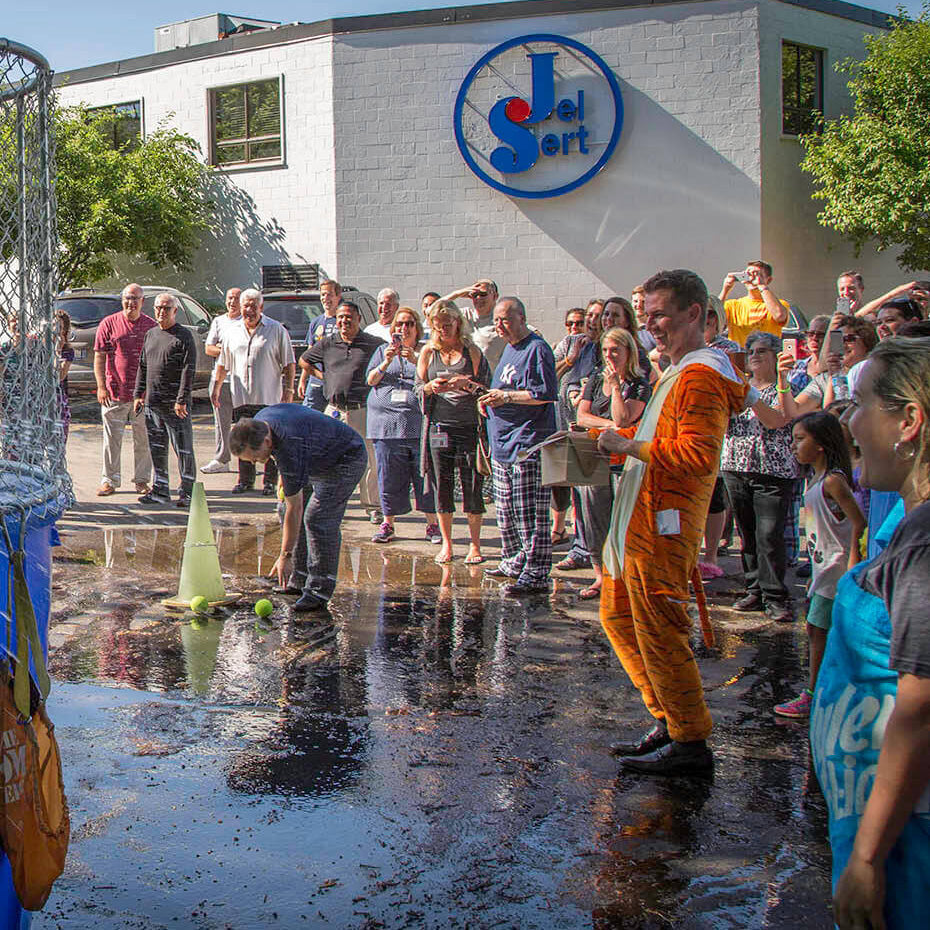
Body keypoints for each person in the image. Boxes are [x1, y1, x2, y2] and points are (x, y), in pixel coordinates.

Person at [597, 269, 750, 776]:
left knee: (661, 632)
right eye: (648, 316)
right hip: (637, 523)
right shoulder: (679, 369)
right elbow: (660, 438)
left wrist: (627, 444)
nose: (652, 326)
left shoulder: (702, 375)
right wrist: (614, 439)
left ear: (695, 314)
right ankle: (669, 719)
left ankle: (690, 742)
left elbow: (698, 455)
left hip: (663, 528)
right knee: (619, 618)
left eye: (660, 315)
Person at [811, 337, 930, 929]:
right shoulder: (910, 528)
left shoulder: (927, 543)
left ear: (909, 421)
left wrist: (866, 859)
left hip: (907, 856)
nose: (847, 419)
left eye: (858, 403)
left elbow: (922, 709)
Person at [230, 406, 368, 613]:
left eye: (256, 458)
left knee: (317, 518)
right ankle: (298, 578)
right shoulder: (259, 424)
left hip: (346, 457)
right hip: (315, 454)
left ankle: (319, 590)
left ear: (267, 442)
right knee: (284, 509)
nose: (256, 463)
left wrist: (285, 556)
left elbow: (296, 507)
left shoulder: (289, 445)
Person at [773, 412, 864, 718]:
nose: (794, 445)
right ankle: (825, 689)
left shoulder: (833, 482)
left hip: (835, 570)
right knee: (816, 628)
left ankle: (814, 694)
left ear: (822, 444)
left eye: (800, 439)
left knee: (818, 630)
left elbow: (858, 522)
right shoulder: (815, 479)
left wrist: (852, 563)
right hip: (822, 569)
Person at [480, 296, 558, 595]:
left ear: (521, 318)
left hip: (528, 442)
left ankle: (537, 572)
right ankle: (514, 560)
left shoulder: (536, 349)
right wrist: (488, 399)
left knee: (530, 513)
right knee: (505, 510)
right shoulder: (509, 350)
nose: (500, 326)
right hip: (503, 443)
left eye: (506, 320)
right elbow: (504, 389)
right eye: (497, 321)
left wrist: (506, 398)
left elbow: (544, 394)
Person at [721, 331, 797, 622]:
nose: (754, 354)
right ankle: (754, 588)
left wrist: (748, 394)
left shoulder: (783, 385)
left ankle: (776, 595)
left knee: (769, 535)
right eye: (751, 350)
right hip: (736, 466)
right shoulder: (739, 386)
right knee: (748, 534)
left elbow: (777, 419)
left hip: (773, 471)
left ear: (776, 356)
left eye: (762, 351)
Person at [574, 327, 651, 600]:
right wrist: (610, 427)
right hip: (592, 454)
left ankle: (624, 576)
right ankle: (600, 576)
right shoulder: (596, 378)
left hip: (623, 460)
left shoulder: (639, 383)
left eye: (615, 350)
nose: (610, 355)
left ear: (628, 352)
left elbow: (624, 418)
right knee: (593, 517)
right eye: (606, 350)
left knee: (622, 519)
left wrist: (617, 387)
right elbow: (582, 415)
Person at [417, 299, 491, 565]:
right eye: (438, 327)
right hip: (440, 426)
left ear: (458, 323)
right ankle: (447, 544)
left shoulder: (471, 351)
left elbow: (487, 389)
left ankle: (475, 544)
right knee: (442, 484)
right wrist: (430, 387)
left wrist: (467, 383)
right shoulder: (428, 352)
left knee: (472, 483)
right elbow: (418, 387)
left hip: (469, 425)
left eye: (447, 325)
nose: (443, 331)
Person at [300, 299, 385, 522]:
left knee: (369, 460)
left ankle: (373, 506)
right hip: (335, 411)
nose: (344, 321)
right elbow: (304, 360)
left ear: (358, 319)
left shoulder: (373, 343)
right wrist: (324, 378)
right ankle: (332, 503)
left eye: (349, 317)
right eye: (340, 317)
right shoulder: (328, 343)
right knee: (331, 459)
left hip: (363, 410)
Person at [365, 307, 439, 544]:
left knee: (424, 476)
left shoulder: (426, 351)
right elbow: (371, 380)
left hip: (418, 424)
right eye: (399, 325)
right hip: (386, 425)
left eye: (408, 324)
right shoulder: (381, 351)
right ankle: (388, 524)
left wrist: (415, 359)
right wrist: (387, 361)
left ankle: (432, 525)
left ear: (417, 328)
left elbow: (433, 377)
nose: (403, 329)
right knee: (388, 476)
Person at [212, 288, 296, 496]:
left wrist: (289, 389)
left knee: (269, 439)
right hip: (242, 396)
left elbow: (289, 363)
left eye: (252, 306)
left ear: (261, 307)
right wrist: (216, 387)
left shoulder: (276, 330)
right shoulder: (232, 331)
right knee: (243, 438)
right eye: (245, 306)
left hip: (269, 397)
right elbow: (223, 363)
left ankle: (270, 481)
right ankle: (245, 480)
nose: (249, 310)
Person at [132, 294, 198, 507]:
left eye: (166, 308)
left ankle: (187, 492)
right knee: (157, 449)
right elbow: (143, 366)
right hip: (153, 404)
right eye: (158, 308)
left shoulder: (183, 336)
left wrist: (182, 399)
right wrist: (138, 394)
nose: (161, 312)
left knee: (183, 450)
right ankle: (160, 490)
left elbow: (189, 370)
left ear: (175, 311)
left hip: (175, 406)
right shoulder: (151, 334)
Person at [93, 282, 156, 496]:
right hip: (114, 393)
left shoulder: (151, 327)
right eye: (127, 298)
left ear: (142, 302)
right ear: (122, 301)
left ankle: (141, 481)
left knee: (143, 440)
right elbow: (99, 357)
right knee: (112, 441)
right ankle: (109, 481)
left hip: (142, 395)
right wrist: (101, 387)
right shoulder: (108, 324)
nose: (131, 303)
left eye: (135, 299)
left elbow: (157, 361)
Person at [699, 295, 743, 580]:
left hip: (719, 431)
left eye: (710, 317)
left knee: (715, 495)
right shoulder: (684, 350)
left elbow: (739, 391)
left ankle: (712, 554)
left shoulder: (729, 350)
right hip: (692, 429)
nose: (706, 323)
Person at [201, 286, 241, 473]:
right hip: (220, 379)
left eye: (236, 298)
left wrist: (224, 348)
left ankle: (247, 461)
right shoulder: (219, 321)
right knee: (221, 421)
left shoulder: (247, 322)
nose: (232, 302)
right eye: (229, 298)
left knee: (245, 422)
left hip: (242, 380)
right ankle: (222, 459)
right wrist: (231, 350)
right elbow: (209, 349)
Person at [718, 260, 790, 347]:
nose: (752, 279)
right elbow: (711, 319)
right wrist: (725, 289)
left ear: (769, 280)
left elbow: (779, 316)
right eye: (749, 275)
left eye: (758, 275)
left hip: (767, 356)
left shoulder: (779, 304)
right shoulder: (733, 305)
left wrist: (761, 285)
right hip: (739, 357)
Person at [302, 279, 342, 412]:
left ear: (338, 296)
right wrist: (303, 380)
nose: (326, 298)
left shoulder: (343, 321)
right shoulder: (315, 322)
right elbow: (308, 355)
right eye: (323, 295)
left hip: (337, 382)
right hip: (316, 382)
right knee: (309, 418)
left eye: (329, 294)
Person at [854, 278, 930, 319]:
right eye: (912, 300)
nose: (914, 303)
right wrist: (893, 294)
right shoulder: (904, 321)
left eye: (920, 299)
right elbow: (858, 316)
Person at [56, 309, 74, 446]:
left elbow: (60, 376)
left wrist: (56, 350)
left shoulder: (67, 350)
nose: (55, 331)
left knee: (58, 446)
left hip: (58, 401)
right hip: (37, 400)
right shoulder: (36, 348)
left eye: (59, 328)